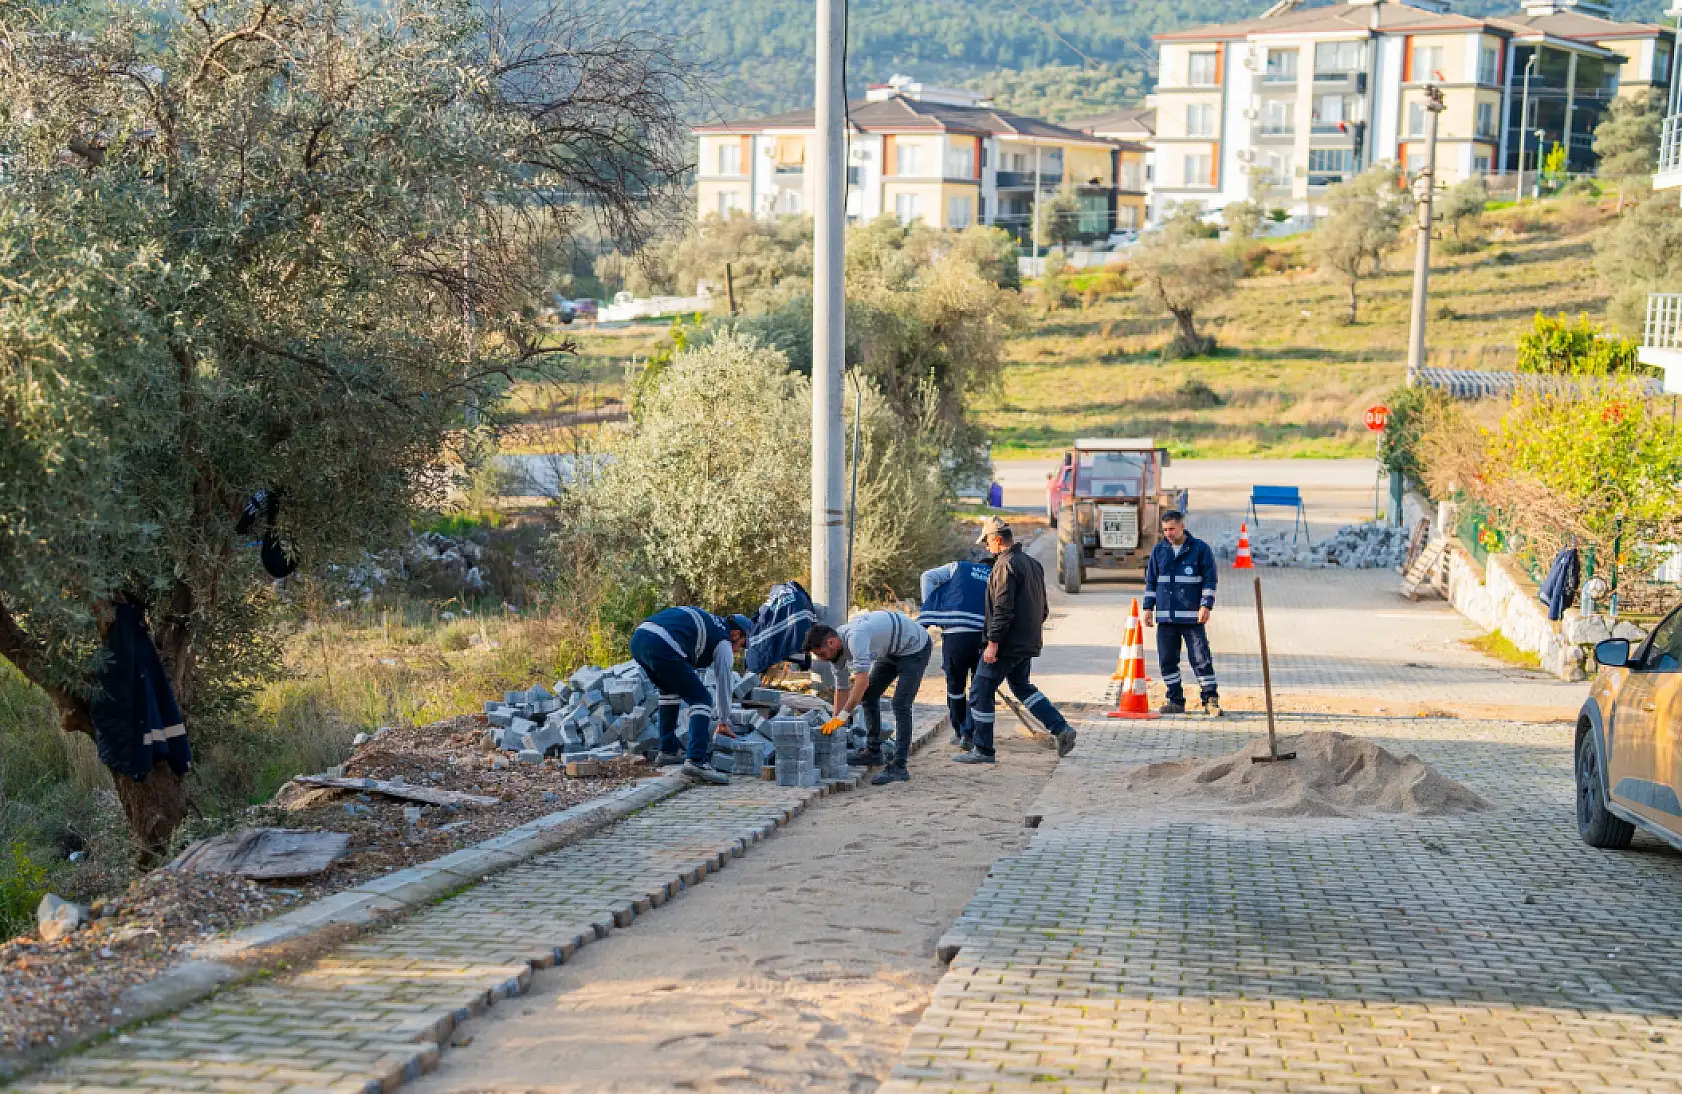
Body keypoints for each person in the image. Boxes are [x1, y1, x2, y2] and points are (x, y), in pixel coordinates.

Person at [955, 517, 1077, 764]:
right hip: (1026, 642)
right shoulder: (1032, 564)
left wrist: (993, 643)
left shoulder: (1004, 565)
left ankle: (983, 748)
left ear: (997, 540)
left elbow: (1002, 608)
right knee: (1022, 686)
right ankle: (1060, 728)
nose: (986, 548)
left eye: (987, 542)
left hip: (1006, 645)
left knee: (980, 691)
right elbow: (1042, 608)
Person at [802, 609, 931, 786]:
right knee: (869, 697)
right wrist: (835, 722)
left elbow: (861, 683)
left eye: (822, 654)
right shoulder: (836, 652)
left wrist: (843, 716)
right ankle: (873, 752)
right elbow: (842, 687)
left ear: (831, 642)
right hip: (891, 651)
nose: (822, 659)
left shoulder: (856, 638)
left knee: (900, 704)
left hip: (915, 647)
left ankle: (899, 767)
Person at [630, 607, 754, 784]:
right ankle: (696, 761)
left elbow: (693, 671)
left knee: (669, 692)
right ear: (735, 634)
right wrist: (724, 721)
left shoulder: (713, 625)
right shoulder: (723, 641)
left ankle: (668, 750)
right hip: (662, 643)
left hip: (640, 639)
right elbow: (724, 682)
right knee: (702, 699)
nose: (736, 651)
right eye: (741, 645)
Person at [1141, 509, 1222, 717]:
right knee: (1167, 660)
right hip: (1166, 618)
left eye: (1172, 529)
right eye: (1165, 529)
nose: (1168, 533)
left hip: (1191, 618)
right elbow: (1151, 582)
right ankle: (1175, 700)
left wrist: (1206, 605)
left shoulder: (1200, 549)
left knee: (1201, 658)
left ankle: (1210, 700)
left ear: (1182, 526)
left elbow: (1210, 580)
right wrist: (1148, 608)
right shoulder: (1159, 551)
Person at [919, 556, 992, 747]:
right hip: (983, 636)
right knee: (979, 687)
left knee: (955, 686)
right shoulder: (997, 574)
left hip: (955, 635)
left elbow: (927, 576)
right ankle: (970, 734)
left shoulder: (958, 567)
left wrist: (933, 610)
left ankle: (959, 732)